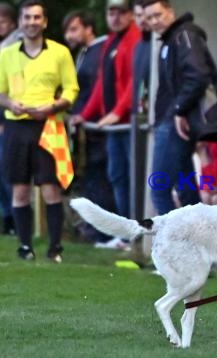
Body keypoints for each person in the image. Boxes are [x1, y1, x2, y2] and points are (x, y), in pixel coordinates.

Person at [0, 0, 79, 262]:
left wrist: (54, 105)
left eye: (36, 18)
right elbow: (0, 91)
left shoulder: (60, 52)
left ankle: (55, 248)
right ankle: (25, 247)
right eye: (27, 18)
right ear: (20, 22)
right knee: (19, 189)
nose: (32, 22)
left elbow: (71, 88)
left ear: (44, 22)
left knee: (50, 188)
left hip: (49, 124)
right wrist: (11, 102)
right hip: (15, 125)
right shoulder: (6, 54)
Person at [142, 0, 217, 214]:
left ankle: (176, 243)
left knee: (160, 190)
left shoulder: (184, 35)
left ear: (170, 12)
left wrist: (179, 109)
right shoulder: (171, 40)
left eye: (158, 14)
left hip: (174, 123)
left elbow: (198, 76)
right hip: (172, 121)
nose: (155, 21)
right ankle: (195, 243)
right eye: (149, 17)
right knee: (187, 192)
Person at [69, 0, 141, 220]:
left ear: (130, 15)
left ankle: (137, 229)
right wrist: (85, 114)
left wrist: (118, 112)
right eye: (111, 12)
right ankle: (126, 229)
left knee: (133, 178)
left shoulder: (135, 39)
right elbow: (102, 83)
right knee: (117, 176)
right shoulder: (110, 41)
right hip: (114, 126)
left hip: (130, 124)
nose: (115, 17)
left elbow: (134, 82)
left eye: (121, 12)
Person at [0, 1, 20, 235]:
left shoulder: (13, 46)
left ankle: (13, 219)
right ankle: (8, 217)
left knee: (9, 172)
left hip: (9, 119)